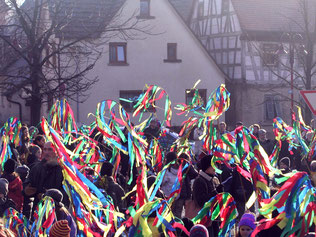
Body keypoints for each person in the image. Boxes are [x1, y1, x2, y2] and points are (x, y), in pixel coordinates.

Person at [24, 142, 68, 212]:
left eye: (50, 150)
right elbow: (28, 183)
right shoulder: (36, 167)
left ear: (57, 151)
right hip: (38, 210)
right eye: (45, 149)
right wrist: (26, 189)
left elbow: (67, 193)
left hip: (56, 210)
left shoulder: (63, 170)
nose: (46, 152)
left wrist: (50, 195)